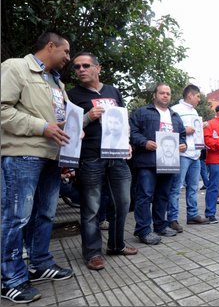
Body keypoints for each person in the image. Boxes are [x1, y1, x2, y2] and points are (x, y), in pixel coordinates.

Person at [1, 31, 74, 303]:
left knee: (44, 215)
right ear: (50, 46)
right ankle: (11, 280)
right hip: (22, 155)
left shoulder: (57, 82)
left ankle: (40, 263)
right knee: (16, 217)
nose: (68, 57)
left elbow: (59, 120)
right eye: (65, 52)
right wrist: (41, 127)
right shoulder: (16, 67)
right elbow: (2, 109)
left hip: (51, 157)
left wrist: (71, 138)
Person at [68, 52, 137, 270]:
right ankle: (93, 253)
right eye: (77, 67)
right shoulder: (72, 95)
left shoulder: (113, 91)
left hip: (117, 156)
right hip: (90, 157)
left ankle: (116, 245)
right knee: (91, 208)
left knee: (123, 202)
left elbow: (123, 121)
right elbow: (67, 126)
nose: (81, 69)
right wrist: (88, 117)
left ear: (98, 68)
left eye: (86, 65)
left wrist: (127, 143)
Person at [130, 83, 187, 244]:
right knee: (144, 196)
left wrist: (183, 145)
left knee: (163, 195)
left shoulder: (175, 116)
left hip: (169, 162)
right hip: (148, 161)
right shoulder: (142, 112)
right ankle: (143, 230)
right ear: (155, 95)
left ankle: (160, 225)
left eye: (168, 93)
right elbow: (132, 132)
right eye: (162, 93)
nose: (165, 96)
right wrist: (144, 142)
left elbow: (182, 136)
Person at [168, 84, 209, 226]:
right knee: (176, 187)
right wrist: (184, 130)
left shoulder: (195, 112)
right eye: (198, 96)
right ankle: (172, 218)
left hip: (195, 155)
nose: (199, 99)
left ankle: (192, 215)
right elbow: (169, 129)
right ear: (190, 95)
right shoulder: (174, 110)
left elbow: (194, 131)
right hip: (182, 154)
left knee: (193, 187)